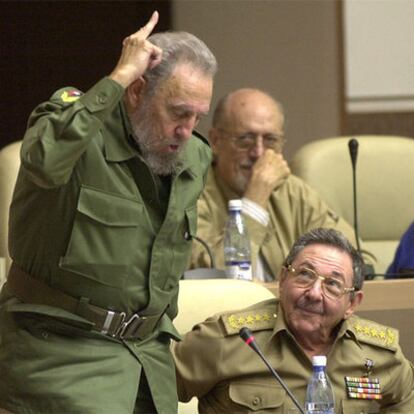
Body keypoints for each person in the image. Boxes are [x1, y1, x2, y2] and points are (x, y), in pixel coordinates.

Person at [0, 11, 217, 414]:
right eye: (178, 112)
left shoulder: (194, 157)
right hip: (60, 358)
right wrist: (116, 78)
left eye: (197, 117)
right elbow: (44, 159)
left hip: (147, 362)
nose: (186, 131)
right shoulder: (79, 130)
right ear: (136, 92)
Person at [173, 228, 414, 413]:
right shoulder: (228, 341)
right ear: (282, 279)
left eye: (332, 284)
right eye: (305, 275)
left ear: (352, 303)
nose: (314, 293)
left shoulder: (382, 357)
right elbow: (148, 387)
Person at [189, 88, 375, 281]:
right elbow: (214, 279)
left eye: (270, 140)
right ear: (216, 141)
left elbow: (360, 262)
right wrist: (254, 200)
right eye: (245, 140)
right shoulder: (190, 194)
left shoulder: (292, 191)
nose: (258, 153)